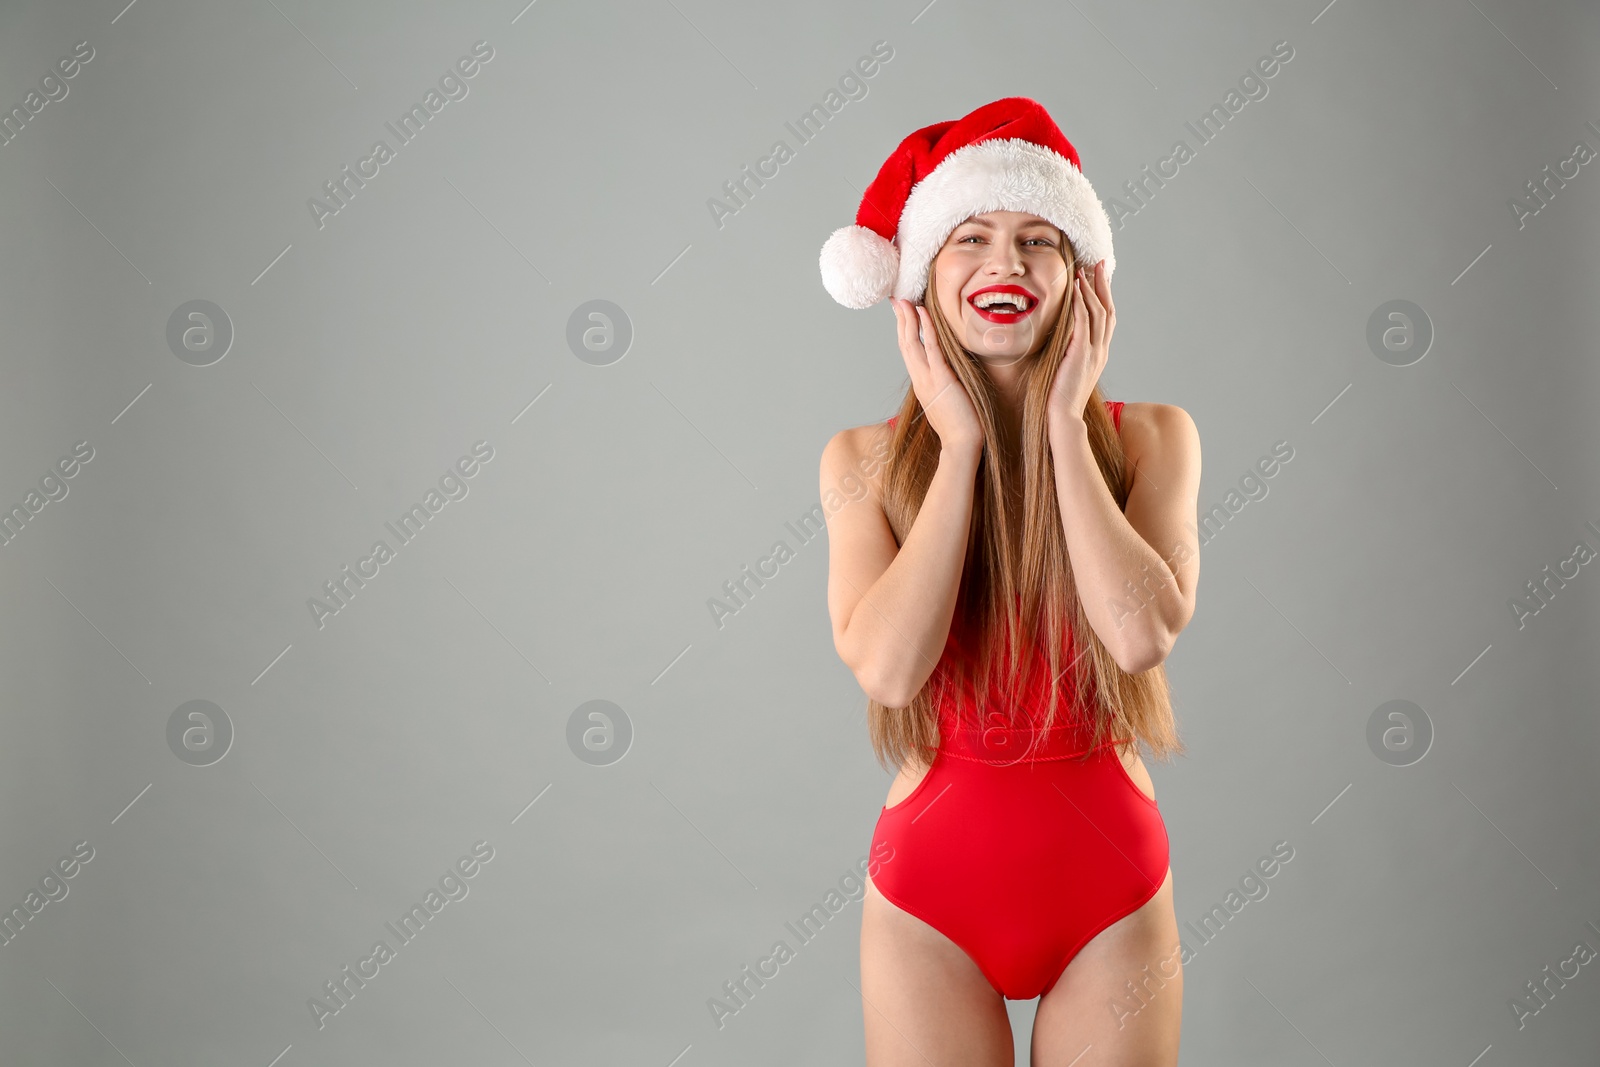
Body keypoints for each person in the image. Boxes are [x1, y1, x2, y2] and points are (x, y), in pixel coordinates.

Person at [817, 97, 1202, 1066]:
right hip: (927, 902)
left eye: (1040, 238)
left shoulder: (1153, 436)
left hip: (1108, 886)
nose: (1007, 261)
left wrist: (1067, 427)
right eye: (971, 236)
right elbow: (890, 671)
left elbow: (1138, 637)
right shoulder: (859, 458)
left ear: (1082, 277)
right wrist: (958, 448)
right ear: (917, 278)